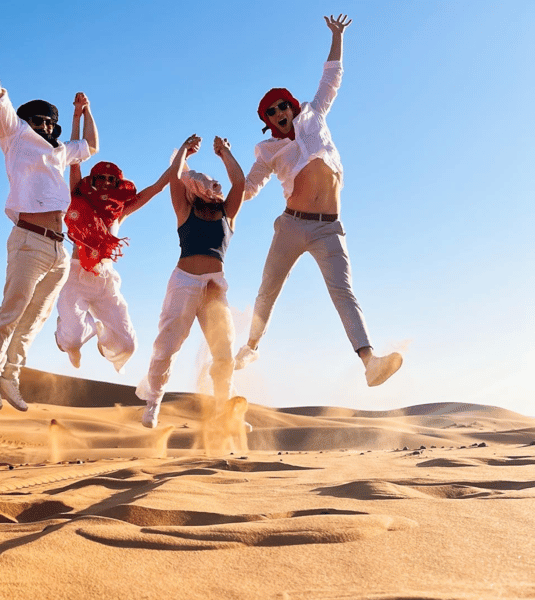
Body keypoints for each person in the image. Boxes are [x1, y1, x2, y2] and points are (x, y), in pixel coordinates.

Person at [235, 14, 403, 387]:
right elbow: (247, 188)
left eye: (282, 106)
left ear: (292, 106)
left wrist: (337, 36)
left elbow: (332, 78)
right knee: (269, 287)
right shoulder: (268, 151)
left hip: (330, 228)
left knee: (343, 292)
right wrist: (222, 181)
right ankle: (250, 346)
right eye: (271, 112)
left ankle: (370, 362)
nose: (279, 113)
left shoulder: (315, 115)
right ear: (268, 121)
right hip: (293, 224)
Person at [0, 13, 98, 411]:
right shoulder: (13, 135)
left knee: (36, 321)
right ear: (28, 120)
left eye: (51, 120)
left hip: (60, 250)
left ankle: (12, 376)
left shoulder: (59, 152)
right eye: (41, 118)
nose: (47, 124)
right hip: (29, 240)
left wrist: (86, 109)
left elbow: (92, 146)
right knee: (12, 311)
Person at [55, 96, 171, 373]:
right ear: (92, 181)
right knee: (71, 339)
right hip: (75, 274)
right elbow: (74, 159)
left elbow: (155, 188)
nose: (106, 183)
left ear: (117, 184)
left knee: (128, 345)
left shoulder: (120, 212)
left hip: (106, 280)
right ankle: (72, 338)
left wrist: (181, 161)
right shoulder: (78, 200)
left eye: (111, 179)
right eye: (101, 178)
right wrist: (79, 115)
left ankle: (100, 337)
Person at [137, 134, 245, 428]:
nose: (212, 190)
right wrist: (184, 151)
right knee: (167, 346)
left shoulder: (227, 214)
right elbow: (174, 178)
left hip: (214, 287)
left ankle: (224, 412)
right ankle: (153, 403)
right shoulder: (185, 211)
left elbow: (240, 183)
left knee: (224, 351)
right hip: (184, 283)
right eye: (204, 186)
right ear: (194, 190)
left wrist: (224, 153)